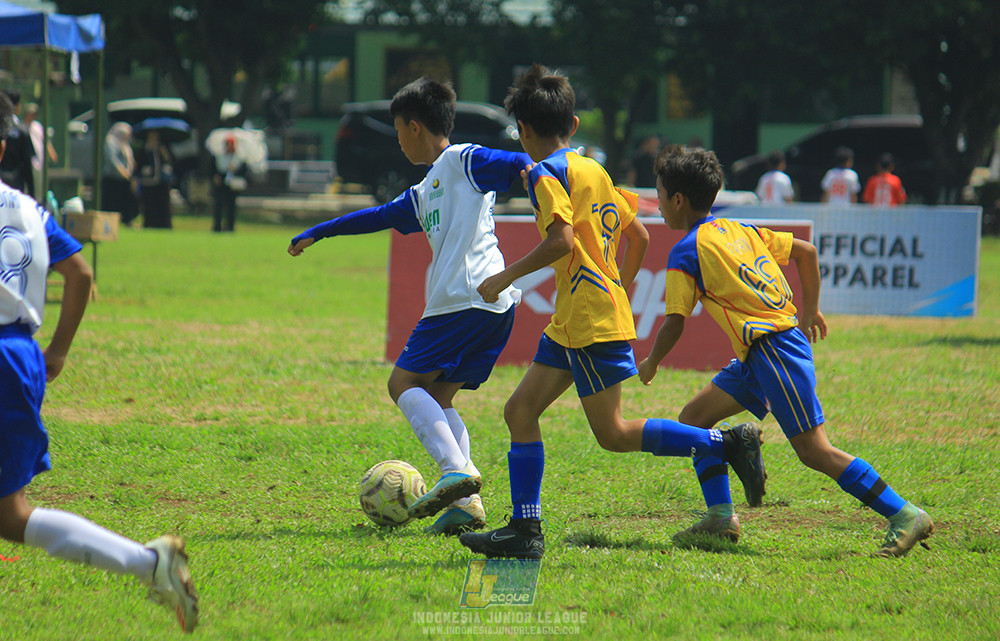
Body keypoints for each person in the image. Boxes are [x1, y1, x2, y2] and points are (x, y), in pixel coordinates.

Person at [458, 65, 766, 560]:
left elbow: (560, 241)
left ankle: (723, 443)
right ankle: (525, 529)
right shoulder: (593, 169)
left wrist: (504, 277)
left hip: (587, 320)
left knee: (615, 434)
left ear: (524, 132)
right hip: (578, 316)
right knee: (519, 410)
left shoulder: (544, 173)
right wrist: (615, 284)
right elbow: (639, 233)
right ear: (574, 126)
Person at [637, 144, 933, 557]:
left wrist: (651, 361)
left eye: (660, 195)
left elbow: (675, 321)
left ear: (679, 200)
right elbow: (806, 253)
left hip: (773, 348)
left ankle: (904, 513)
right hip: (759, 352)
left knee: (814, 450)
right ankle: (721, 517)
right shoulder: (740, 229)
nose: (659, 206)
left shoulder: (686, 251)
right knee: (695, 418)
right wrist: (809, 310)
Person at [288, 77, 532, 535]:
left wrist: (554, 174)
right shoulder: (426, 190)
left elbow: (521, 162)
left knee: (402, 383)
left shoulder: (463, 160)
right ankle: (469, 505)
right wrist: (321, 230)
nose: (397, 140)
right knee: (439, 396)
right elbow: (377, 216)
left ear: (414, 127)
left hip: (459, 301)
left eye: (398, 129)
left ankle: (456, 473)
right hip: (494, 307)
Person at [0, 92, 198, 633]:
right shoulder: (30, 209)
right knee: (9, 514)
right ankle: (147, 564)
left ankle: (147, 563)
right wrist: (56, 352)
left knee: (11, 515)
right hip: (19, 355)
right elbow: (81, 276)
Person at [101, 122, 138, 226]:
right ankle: (110, 223)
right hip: (112, 177)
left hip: (125, 178)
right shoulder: (111, 142)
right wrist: (122, 170)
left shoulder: (125, 144)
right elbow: (112, 159)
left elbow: (129, 159)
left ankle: (127, 220)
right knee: (112, 201)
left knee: (127, 201)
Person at [136, 129, 174, 229]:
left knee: (163, 204)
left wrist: (164, 153)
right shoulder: (144, 149)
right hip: (148, 181)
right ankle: (149, 223)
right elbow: (138, 165)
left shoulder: (163, 147)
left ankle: (164, 225)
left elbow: (170, 161)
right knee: (149, 204)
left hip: (162, 181)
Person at [212, 133, 249, 233]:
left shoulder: (239, 158)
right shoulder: (219, 156)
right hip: (221, 184)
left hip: (232, 185)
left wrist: (236, 169)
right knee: (218, 206)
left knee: (231, 207)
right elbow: (213, 169)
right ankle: (217, 227)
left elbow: (245, 172)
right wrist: (216, 176)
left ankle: (230, 227)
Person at [0, 90, 34, 197]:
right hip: (16, 186)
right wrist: (32, 193)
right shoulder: (22, 132)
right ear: (17, 107)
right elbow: (27, 164)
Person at [23, 103, 59, 202]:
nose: (32, 115)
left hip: (40, 163)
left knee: (39, 188)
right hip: (28, 164)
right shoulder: (22, 128)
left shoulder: (38, 126)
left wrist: (52, 153)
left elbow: (46, 142)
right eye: (30, 113)